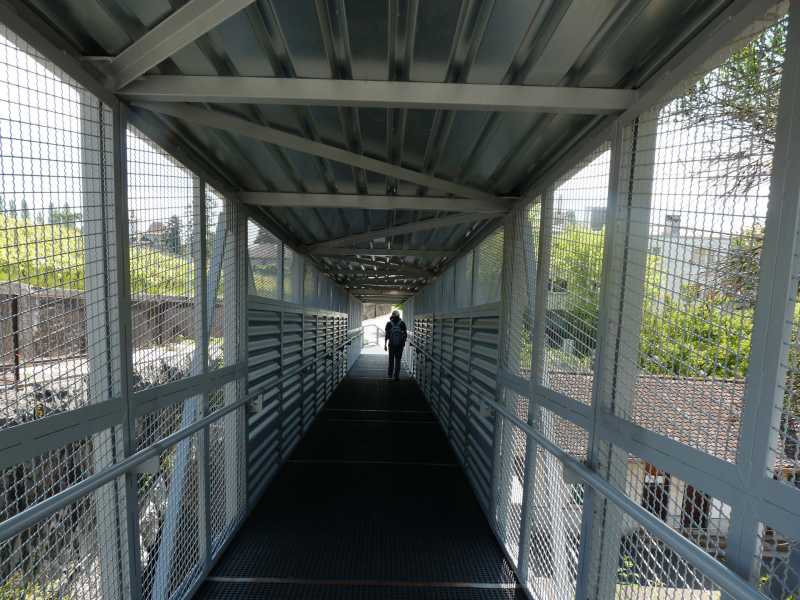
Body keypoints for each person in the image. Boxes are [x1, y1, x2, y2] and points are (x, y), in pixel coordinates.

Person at [384, 310, 407, 381]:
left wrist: (385, 344)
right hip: (400, 346)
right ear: (399, 316)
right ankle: (396, 376)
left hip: (391, 345)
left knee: (391, 360)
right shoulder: (402, 323)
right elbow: (405, 335)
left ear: (392, 316)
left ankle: (390, 375)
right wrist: (403, 343)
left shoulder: (389, 324)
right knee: (398, 361)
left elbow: (387, 335)